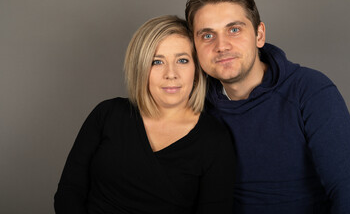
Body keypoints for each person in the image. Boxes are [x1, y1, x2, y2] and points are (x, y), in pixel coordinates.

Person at [185, 0, 350, 214]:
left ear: (259, 35)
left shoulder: (309, 90)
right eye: (207, 36)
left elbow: (349, 191)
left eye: (234, 30)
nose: (221, 46)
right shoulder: (193, 104)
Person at [54, 15, 236, 214]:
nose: (171, 74)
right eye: (157, 62)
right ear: (140, 68)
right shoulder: (107, 114)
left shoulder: (214, 139)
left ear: (196, 70)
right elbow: (69, 192)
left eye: (182, 60)